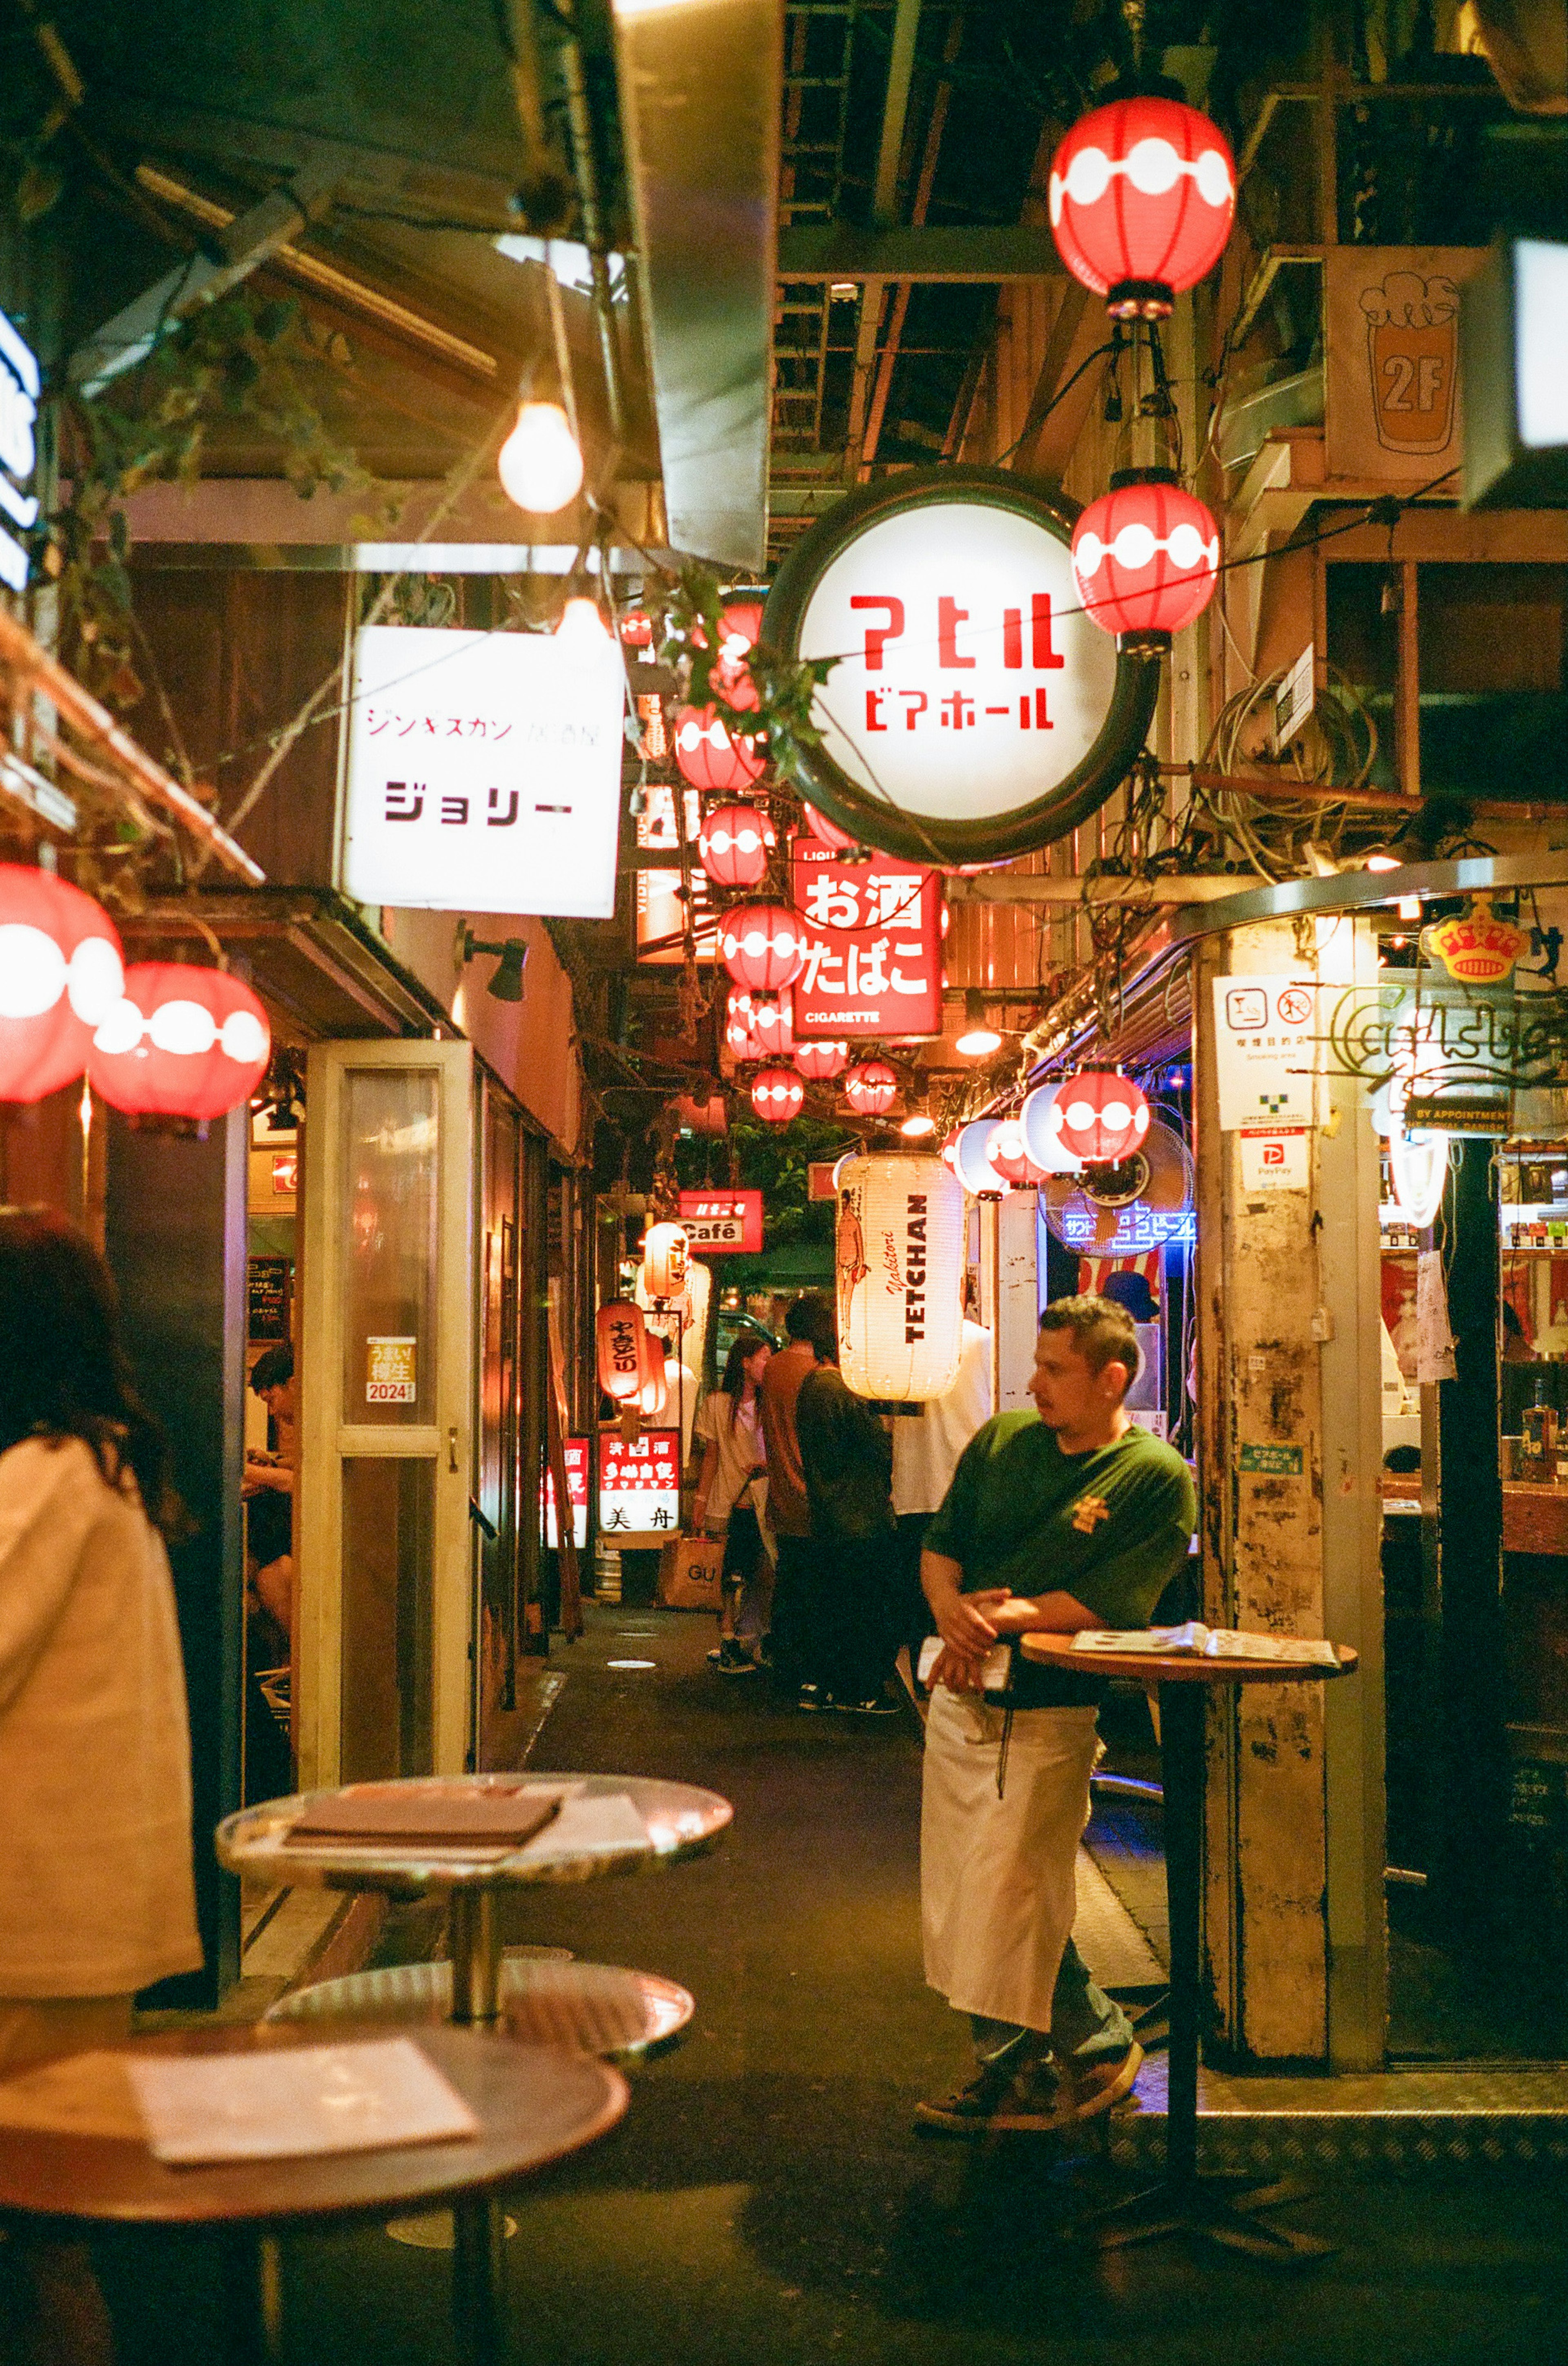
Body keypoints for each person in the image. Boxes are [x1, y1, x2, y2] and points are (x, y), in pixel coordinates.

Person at [916, 1293, 1196, 2135]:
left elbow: (1115, 1601)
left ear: (1112, 1378)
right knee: (969, 1894)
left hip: (1052, 1709)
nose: (1034, 1384)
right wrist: (953, 1612)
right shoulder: (1002, 1442)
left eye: (1055, 1369)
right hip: (962, 1694)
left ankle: (1080, 2047)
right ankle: (1026, 2067)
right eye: (1037, 1365)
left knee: (1013, 1891)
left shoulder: (1152, 1474)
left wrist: (1001, 1616)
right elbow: (942, 1546)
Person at [0, 1209, 203, 2363]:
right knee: (46, 2231)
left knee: (40, 2235)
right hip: (73, 1917)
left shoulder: (52, 1471)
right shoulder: (104, 1462)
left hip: (33, 1921)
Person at [795, 1329, 900, 1715]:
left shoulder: (811, 1386)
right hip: (860, 1516)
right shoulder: (846, 1390)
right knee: (862, 1607)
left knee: (830, 1604)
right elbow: (880, 1448)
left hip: (826, 1513)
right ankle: (861, 1690)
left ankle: (821, 1685)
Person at [891, 1289, 992, 1674]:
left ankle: (924, 1675)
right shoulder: (983, 1341)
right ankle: (963, 1672)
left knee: (923, 1594)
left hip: (914, 1485)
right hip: (967, 1483)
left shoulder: (902, 1345)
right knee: (966, 1590)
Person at [759, 1291, 835, 1696]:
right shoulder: (819, 1374)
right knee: (817, 1591)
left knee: (790, 1584)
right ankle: (810, 1670)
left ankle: (785, 1665)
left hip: (783, 1494)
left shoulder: (773, 1368)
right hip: (817, 1497)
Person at [693, 1332, 772, 1675]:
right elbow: (710, 1456)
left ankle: (747, 1639)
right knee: (725, 1577)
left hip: (762, 1503)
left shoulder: (771, 1403)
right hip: (727, 1501)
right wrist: (700, 1499)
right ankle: (728, 1642)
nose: (768, 1365)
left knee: (761, 1573)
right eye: (764, 1357)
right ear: (745, 1362)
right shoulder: (717, 1403)